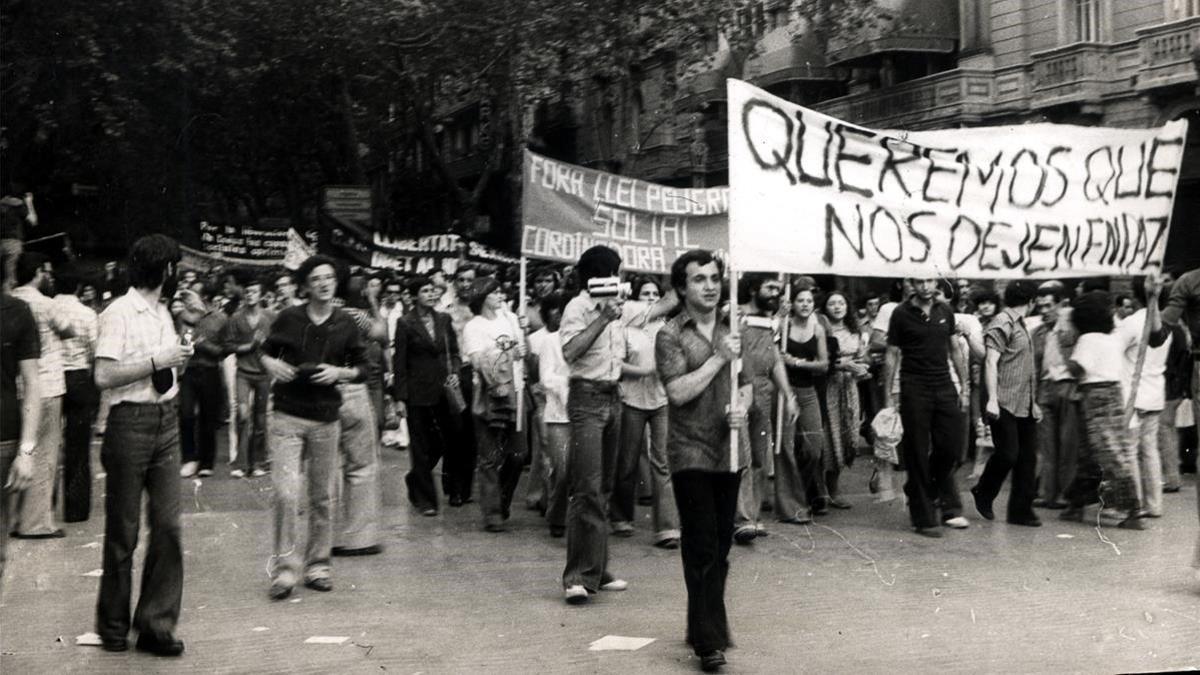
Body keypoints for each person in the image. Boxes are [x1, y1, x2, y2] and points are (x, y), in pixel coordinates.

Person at [93, 234, 192, 655]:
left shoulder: (164, 313)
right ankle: (113, 626)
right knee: (124, 531)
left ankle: (155, 624)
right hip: (129, 424)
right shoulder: (119, 312)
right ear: (164, 270)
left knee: (168, 526)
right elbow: (103, 375)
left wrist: (177, 360)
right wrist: (158, 362)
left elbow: (166, 370)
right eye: (175, 269)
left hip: (166, 422)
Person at [559, 246, 674, 604]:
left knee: (604, 486)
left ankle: (598, 568)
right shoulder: (577, 308)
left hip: (614, 397)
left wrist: (682, 274)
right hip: (586, 399)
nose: (622, 279)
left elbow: (660, 307)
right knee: (587, 487)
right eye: (617, 272)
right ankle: (576, 576)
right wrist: (602, 319)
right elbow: (571, 351)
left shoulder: (621, 305)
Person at [655, 249, 750, 673]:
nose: (710, 286)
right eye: (699, 279)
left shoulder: (733, 330)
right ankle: (709, 641)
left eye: (714, 278)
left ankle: (702, 625)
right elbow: (676, 392)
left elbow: (745, 384)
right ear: (681, 288)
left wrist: (742, 407)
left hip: (730, 448)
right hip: (690, 449)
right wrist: (718, 358)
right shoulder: (671, 334)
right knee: (702, 544)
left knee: (723, 544)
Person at [260, 255, 368, 600]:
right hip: (287, 415)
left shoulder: (346, 323)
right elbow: (263, 352)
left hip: (325, 417)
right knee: (285, 492)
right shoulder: (288, 318)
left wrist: (341, 373)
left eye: (330, 278)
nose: (324, 283)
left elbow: (363, 367)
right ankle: (285, 572)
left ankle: (318, 565)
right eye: (317, 278)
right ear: (306, 285)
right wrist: (271, 366)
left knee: (322, 496)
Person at [882, 278, 970, 537]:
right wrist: (888, 395)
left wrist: (965, 387)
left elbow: (954, 349)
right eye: (919, 281)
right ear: (911, 283)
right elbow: (891, 354)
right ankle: (923, 517)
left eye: (929, 280)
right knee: (917, 452)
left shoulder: (945, 311)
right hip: (914, 387)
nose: (925, 286)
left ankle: (920, 489)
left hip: (944, 385)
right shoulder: (900, 313)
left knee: (952, 448)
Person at [1059, 290, 1143, 530]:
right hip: (1114, 394)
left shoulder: (1088, 340)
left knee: (1104, 453)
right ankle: (1076, 503)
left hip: (1094, 396)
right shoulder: (1112, 336)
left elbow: (1078, 368)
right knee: (1101, 451)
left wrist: (1064, 356)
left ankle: (1132, 509)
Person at [9, 252, 74, 539]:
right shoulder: (48, 305)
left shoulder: (10, 302)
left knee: (17, 451)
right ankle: (34, 523)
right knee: (44, 453)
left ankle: (11, 518)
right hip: (46, 386)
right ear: (37, 272)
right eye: (45, 271)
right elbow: (69, 331)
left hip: (16, 387)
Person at [613, 276, 681, 547]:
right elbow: (615, 364)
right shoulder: (626, 328)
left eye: (655, 294)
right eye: (645, 294)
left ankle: (666, 528)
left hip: (661, 400)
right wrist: (644, 371)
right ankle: (620, 515)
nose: (651, 298)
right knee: (627, 461)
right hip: (632, 400)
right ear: (635, 299)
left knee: (661, 461)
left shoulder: (667, 327)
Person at [970, 281, 1041, 527]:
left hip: (1024, 402)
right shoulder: (1003, 322)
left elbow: (1022, 365)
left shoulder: (1020, 324)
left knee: (1027, 458)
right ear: (1032, 301)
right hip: (1003, 400)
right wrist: (991, 399)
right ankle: (984, 491)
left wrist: (1034, 402)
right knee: (1008, 454)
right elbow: (990, 362)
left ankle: (1021, 511)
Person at [461, 276, 528, 532]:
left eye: (501, 291)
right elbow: (478, 361)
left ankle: (501, 499)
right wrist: (509, 353)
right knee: (489, 454)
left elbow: (525, 352)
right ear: (482, 297)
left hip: (517, 391)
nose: (501, 295)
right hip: (490, 393)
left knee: (518, 453)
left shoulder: (510, 319)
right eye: (495, 292)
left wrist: (523, 334)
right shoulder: (473, 326)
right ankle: (492, 512)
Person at [733, 273, 796, 544]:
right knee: (742, 458)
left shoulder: (772, 321)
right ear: (752, 289)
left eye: (778, 289)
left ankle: (753, 516)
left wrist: (788, 393)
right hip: (738, 391)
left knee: (760, 458)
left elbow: (775, 360)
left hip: (764, 393)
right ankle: (742, 519)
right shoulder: (734, 313)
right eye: (770, 287)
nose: (776, 293)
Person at [392, 275, 462, 515]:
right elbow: (399, 362)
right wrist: (400, 398)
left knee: (445, 441)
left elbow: (454, 352)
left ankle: (414, 479)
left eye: (433, 290)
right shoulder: (405, 323)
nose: (432, 294)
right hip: (417, 392)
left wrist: (455, 373)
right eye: (425, 291)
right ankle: (426, 500)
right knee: (420, 445)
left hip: (444, 389)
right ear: (414, 296)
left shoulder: (444, 319)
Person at [0, 261, 41, 591]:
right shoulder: (18, 311)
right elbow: (32, 383)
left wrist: (26, 449)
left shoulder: (17, 312)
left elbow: (31, 383)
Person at [1116, 274, 1170, 519]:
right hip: (1155, 392)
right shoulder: (1166, 324)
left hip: (1132, 395)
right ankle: (1154, 504)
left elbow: (1114, 352)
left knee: (1130, 450)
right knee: (1150, 451)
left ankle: (1135, 503)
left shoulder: (1131, 323)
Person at [777, 283, 828, 523]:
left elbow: (823, 364)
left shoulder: (817, 329)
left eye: (809, 300)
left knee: (813, 448)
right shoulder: (784, 326)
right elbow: (773, 352)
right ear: (792, 304)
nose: (805, 304)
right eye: (800, 300)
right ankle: (793, 504)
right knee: (787, 448)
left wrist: (796, 362)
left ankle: (804, 494)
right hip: (785, 392)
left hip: (808, 393)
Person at [53, 263, 100, 522]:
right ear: (79, 287)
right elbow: (95, 352)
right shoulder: (86, 314)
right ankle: (76, 509)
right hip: (80, 378)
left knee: (46, 444)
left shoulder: (48, 308)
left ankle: (42, 506)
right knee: (79, 447)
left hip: (51, 377)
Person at [1030, 282, 1080, 509]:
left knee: (1067, 443)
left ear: (1061, 304)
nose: (1043, 311)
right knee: (1046, 445)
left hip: (1067, 386)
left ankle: (1065, 493)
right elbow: (1032, 366)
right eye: (1040, 306)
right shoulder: (1037, 332)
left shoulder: (1071, 326)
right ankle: (1046, 492)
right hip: (1044, 387)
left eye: (1048, 305)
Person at [222, 275, 276, 478]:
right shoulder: (236, 317)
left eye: (254, 291)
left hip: (263, 373)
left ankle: (258, 462)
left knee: (260, 420)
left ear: (261, 295)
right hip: (243, 372)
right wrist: (249, 346)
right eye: (247, 292)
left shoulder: (270, 317)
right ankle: (241, 464)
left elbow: (279, 341)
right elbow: (227, 346)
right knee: (243, 415)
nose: (250, 295)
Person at [527, 291, 571, 537]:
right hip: (557, 413)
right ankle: (557, 514)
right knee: (561, 468)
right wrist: (571, 383)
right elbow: (546, 378)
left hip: (586, 413)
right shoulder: (550, 341)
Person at [822, 290, 869, 508]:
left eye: (841, 302)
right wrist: (844, 365)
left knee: (848, 434)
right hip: (829, 386)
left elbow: (861, 357)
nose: (837, 307)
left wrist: (862, 367)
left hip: (850, 387)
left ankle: (834, 486)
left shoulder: (855, 330)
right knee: (830, 437)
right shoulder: (822, 329)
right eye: (832, 303)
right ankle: (828, 490)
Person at [176, 287, 229, 479]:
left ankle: (207, 462)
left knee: (208, 418)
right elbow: (180, 341)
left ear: (204, 298)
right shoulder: (183, 316)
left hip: (210, 370)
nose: (188, 301)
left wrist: (205, 346)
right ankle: (189, 459)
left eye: (192, 296)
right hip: (189, 371)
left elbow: (225, 349)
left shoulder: (220, 318)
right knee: (186, 413)